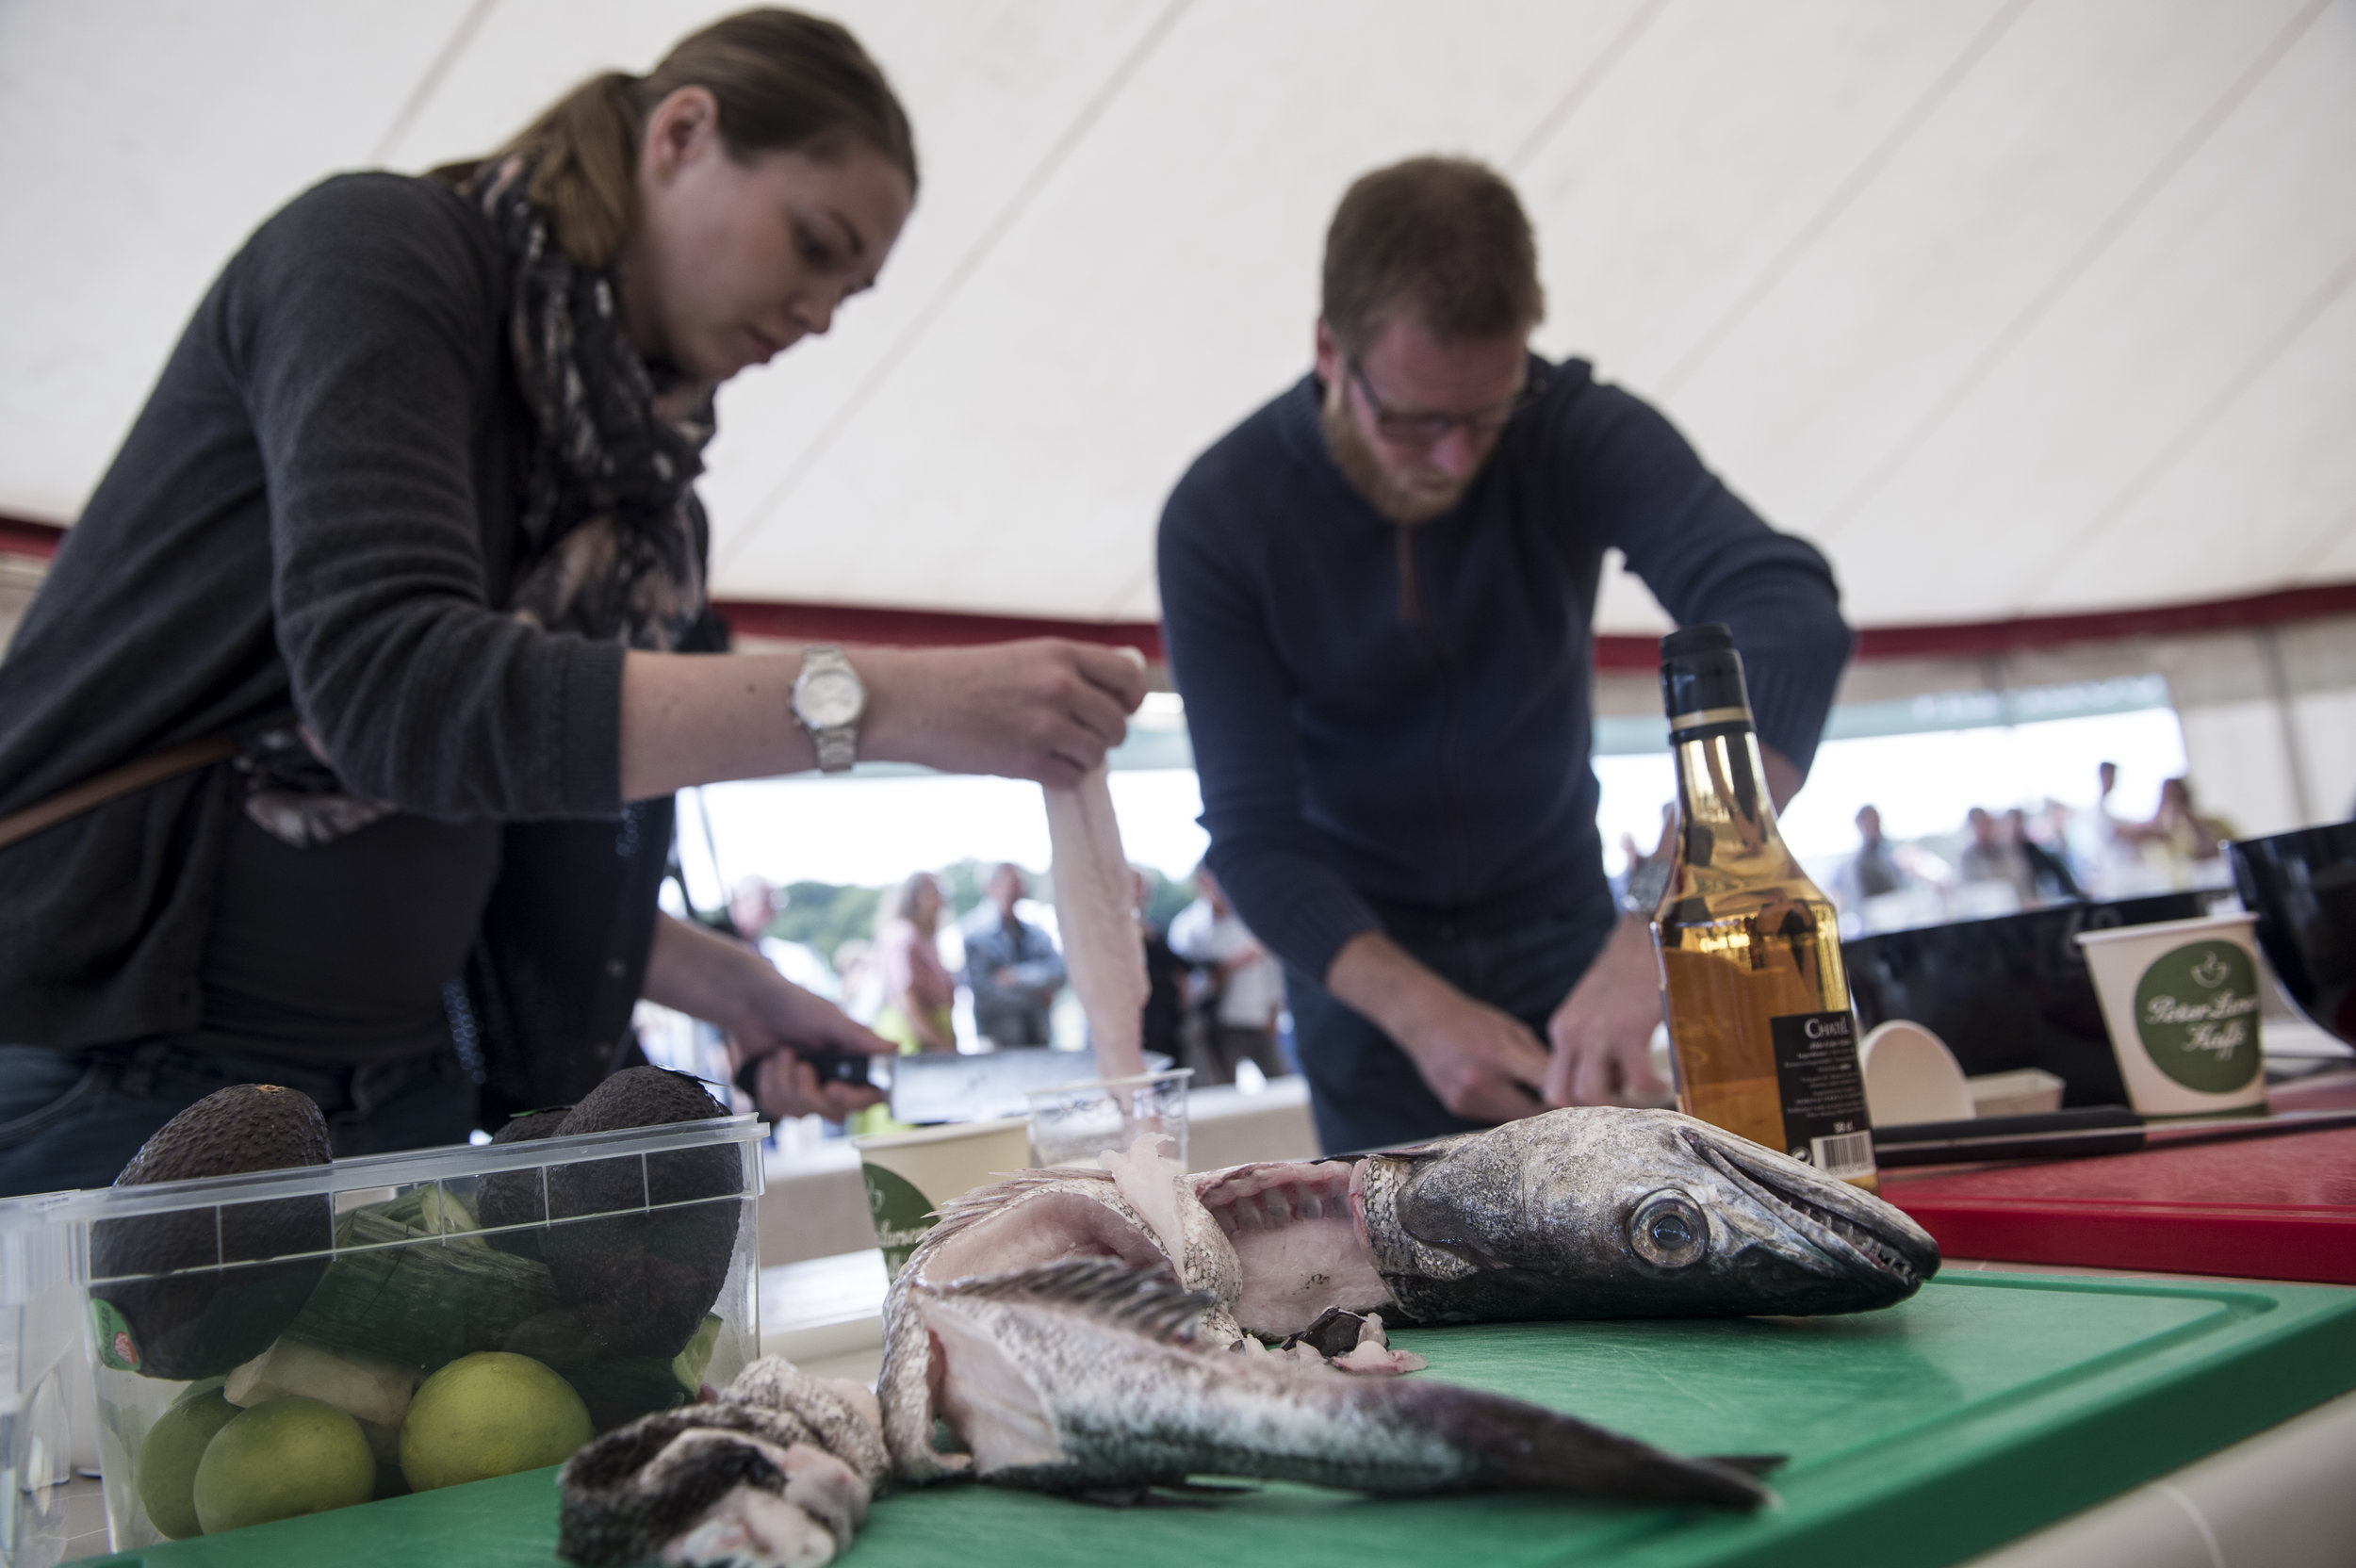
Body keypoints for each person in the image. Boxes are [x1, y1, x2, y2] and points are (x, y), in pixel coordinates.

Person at [0, 10, 1146, 1195]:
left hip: (401, 1093)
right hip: (111, 1074)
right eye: (812, 245)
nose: (817, 315)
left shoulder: (645, 500)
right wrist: (882, 700)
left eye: (848, 296)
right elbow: (396, 693)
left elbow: (500, 822)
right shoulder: (376, 255)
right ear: (681, 133)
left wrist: (736, 989)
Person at [1158, 156, 1850, 1153]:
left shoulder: (1567, 427)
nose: (1454, 458)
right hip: (1362, 968)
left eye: (1487, 414)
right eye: (1413, 420)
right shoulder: (1221, 515)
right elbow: (1254, 834)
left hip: (1571, 928)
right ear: (1328, 350)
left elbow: (1788, 612)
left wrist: (1671, 909)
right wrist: (1418, 1013)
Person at [1168, 862, 1288, 1087]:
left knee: (1282, 1083)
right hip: (1219, 1025)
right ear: (1201, 883)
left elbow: (1272, 970)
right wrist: (1230, 965)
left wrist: (1274, 1010)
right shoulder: (1189, 928)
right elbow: (1186, 984)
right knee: (1225, 1089)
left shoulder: (1249, 918)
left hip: (1260, 1021)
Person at [959, 862, 1065, 1049]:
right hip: (999, 1041)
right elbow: (984, 993)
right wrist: (1036, 998)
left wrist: (1016, 976)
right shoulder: (974, 936)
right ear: (992, 886)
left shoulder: (1036, 933)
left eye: (1020, 881)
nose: (1019, 886)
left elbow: (1058, 972)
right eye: (1012, 881)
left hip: (1039, 1038)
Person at [868, 873, 957, 1055]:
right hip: (913, 1044)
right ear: (916, 898)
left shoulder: (924, 938)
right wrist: (940, 1043)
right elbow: (906, 997)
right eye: (933, 893)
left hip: (930, 1042)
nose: (940, 900)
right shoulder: (902, 934)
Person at [728, 874, 836, 998]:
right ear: (742, 900)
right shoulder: (723, 941)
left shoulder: (764, 950)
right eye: (767, 901)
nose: (773, 911)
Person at [1833, 805, 1910, 909]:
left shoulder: (1889, 852)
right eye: (1871, 820)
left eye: (1877, 820)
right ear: (1860, 824)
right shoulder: (1857, 862)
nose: (1876, 824)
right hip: (1875, 911)